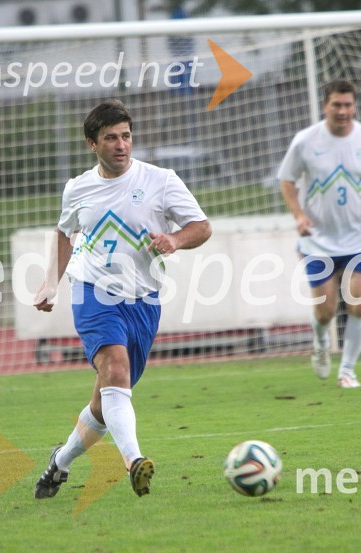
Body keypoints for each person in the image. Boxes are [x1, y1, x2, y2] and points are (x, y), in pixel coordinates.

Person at [32, 99, 211, 499]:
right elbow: (64, 234)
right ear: (91, 144)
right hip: (93, 292)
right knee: (115, 369)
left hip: (144, 301)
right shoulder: (77, 188)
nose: (121, 145)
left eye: (126, 136)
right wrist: (51, 283)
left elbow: (201, 227)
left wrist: (175, 240)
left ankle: (59, 462)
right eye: (110, 138)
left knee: (105, 400)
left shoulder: (161, 180)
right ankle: (134, 462)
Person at [279, 79, 361, 389]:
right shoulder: (305, 141)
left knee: (359, 304)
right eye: (337, 105)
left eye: (347, 105)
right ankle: (320, 344)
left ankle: (348, 370)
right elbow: (287, 180)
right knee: (326, 310)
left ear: (354, 107)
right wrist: (299, 215)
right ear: (325, 106)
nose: (342, 111)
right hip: (318, 240)